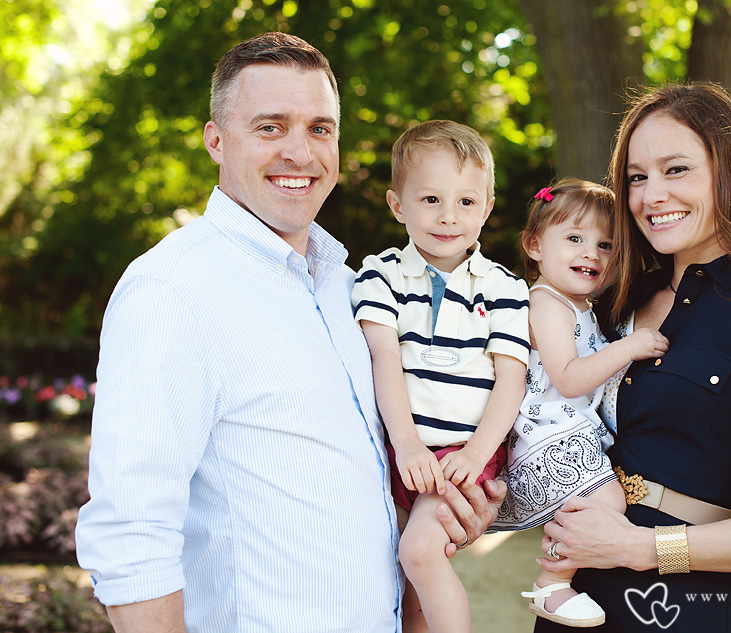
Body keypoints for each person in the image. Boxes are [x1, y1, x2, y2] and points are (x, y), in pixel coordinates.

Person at [75, 33, 503, 633]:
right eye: (271, 127)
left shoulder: (350, 289)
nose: (300, 153)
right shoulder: (173, 290)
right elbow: (132, 532)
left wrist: (441, 523)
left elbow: (371, 510)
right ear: (216, 141)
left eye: (320, 128)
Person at [533, 82, 731, 632]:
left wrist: (643, 547)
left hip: (679, 612)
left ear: (728, 171)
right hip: (572, 601)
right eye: (636, 177)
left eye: (675, 170)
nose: (651, 196)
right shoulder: (613, 302)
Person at [351, 119, 529, 633]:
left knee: (422, 554)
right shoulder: (380, 273)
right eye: (430, 200)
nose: (449, 217)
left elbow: (511, 381)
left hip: (462, 452)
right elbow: (383, 358)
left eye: (466, 203)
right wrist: (405, 445)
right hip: (397, 452)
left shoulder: (504, 288)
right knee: (401, 585)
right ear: (397, 204)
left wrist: (476, 456)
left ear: (488, 208)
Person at [490, 179, 668, 628]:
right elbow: (568, 379)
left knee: (602, 502)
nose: (591, 253)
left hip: (565, 431)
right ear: (534, 246)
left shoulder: (580, 306)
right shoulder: (546, 303)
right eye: (574, 239)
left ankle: (558, 579)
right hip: (544, 435)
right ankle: (552, 582)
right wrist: (628, 348)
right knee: (606, 499)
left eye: (605, 245)